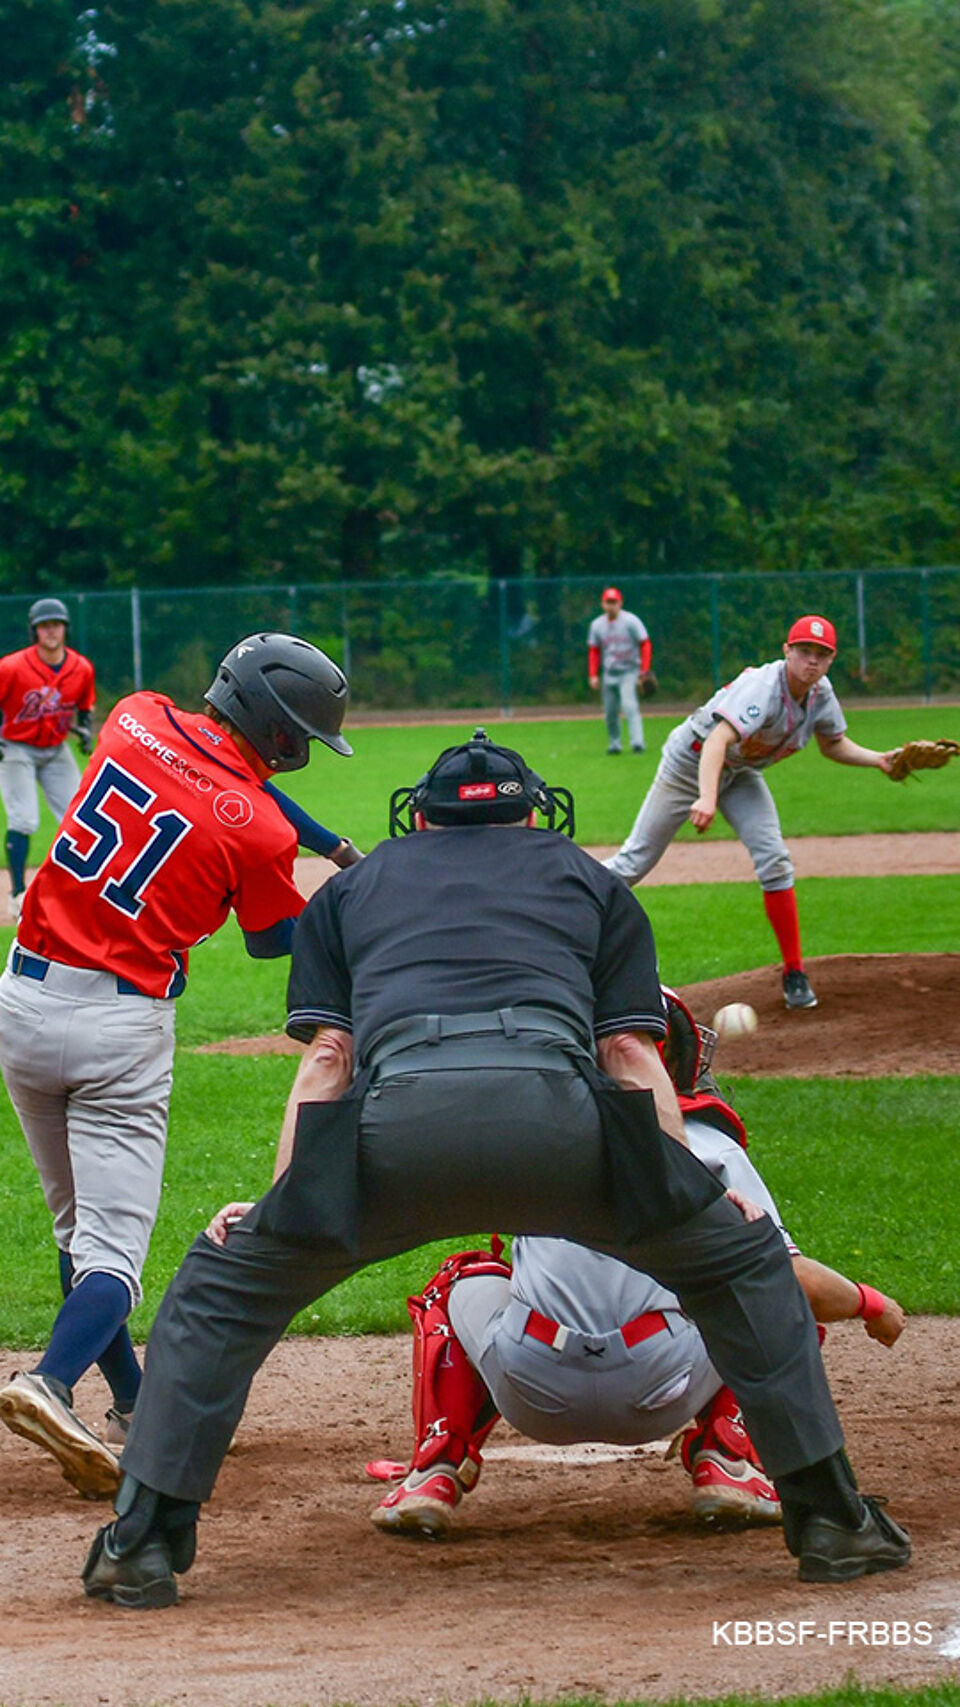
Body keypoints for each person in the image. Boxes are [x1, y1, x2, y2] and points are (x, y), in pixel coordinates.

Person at [80, 729, 909, 1610]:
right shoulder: (590, 879)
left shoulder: (353, 887)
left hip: (395, 1134)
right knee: (744, 1267)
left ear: (421, 819)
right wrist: (692, 1194)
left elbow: (328, 1060)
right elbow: (630, 1055)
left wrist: (283, 1210)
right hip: (564, 1127)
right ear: (532, 815)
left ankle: (142, 1544)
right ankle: (833, 1521)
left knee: (221, 1293)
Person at [0, 633, 353, 1498]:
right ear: (278, 732)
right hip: (119, 1028)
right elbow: (272, 936)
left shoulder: (135, 716)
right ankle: (48, 1382)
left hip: (22, 1003)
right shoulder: (260, 829)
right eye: (300, 735)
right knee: (114, 1256)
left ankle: (136, 1402)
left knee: (75, 1229)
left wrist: (327, 842)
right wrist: (351, 897)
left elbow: (220, 779)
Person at [367, 995, 905, 1539]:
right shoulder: (710, 1147)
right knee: (757, 1292)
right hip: (664, 1387)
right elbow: (790, 1282)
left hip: (532, 1387)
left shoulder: (529, 1137)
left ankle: (434, 1474)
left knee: (457, 1282)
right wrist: (870, 1302)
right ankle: (728, 1461)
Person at [605, 616, 898, 1010]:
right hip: (689, 764)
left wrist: (879, 759)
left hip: (740, 772)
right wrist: (706, 798)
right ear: (787, 651)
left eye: (821, 654)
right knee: (634, 862)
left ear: (831, 659)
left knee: (775, 860)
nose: (812, 661)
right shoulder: (763, 687)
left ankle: (794, 973)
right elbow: (717, 740)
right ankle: (563, 895)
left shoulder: (820, 694)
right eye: (804, 651)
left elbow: (833, 743)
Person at [0, 598, 96, 923]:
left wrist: (85, 729)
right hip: (16, 747)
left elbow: (85, 705)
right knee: (24, 819)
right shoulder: (11, 667)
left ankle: (79, 887)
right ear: (34, 631)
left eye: (56, 625)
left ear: (65, 629)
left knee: (80, 816)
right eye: (44, 626)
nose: (51, 631)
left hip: (55, 748)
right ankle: (17, 894)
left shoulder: (81, 668)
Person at [587, 587, 653, 754]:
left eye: (614, 602)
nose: (611, 606)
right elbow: (594, 650)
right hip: (609, 673)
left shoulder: (631, 621)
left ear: (620, 603)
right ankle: (614, 744)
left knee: (629, 706)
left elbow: (645, 643)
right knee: (610, 712)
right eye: (608, 602)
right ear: (602, 604)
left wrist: (644, 670)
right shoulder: (597, 625)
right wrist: (593, 674)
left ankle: (637, 743)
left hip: (629, 671)